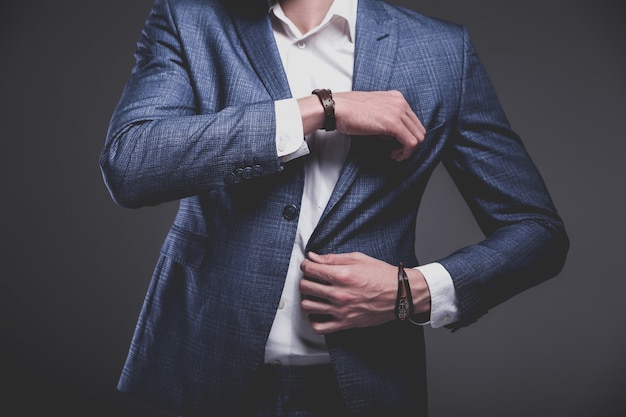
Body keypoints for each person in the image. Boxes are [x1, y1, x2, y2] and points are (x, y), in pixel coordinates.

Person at [100, 0, 569, 415]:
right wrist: (321, 108)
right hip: (205, 371)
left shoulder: (440, 51)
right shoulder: (190, 17)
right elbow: (131, 164)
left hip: (366, 384)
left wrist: (413, 291)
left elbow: (537, 231)